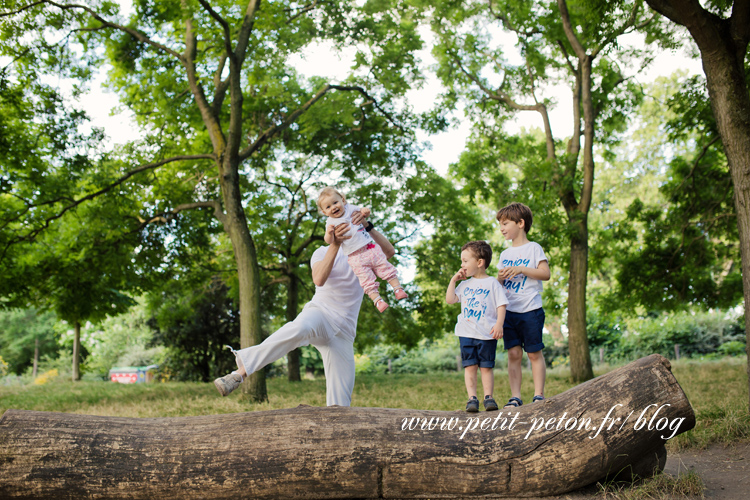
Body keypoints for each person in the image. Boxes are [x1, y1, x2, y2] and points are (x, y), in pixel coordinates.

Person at [213, 211, 396, 406]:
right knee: (299, 329)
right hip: (320, 315)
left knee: (341, 401)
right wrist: (335, 244)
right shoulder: (321, 252)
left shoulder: (364, 253)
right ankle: (238, 375)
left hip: (344, 332)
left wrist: (368, 226)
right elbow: (318, 279)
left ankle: (335, 432)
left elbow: (389, 252)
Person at [496, 202, 551, 409]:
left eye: (505, 223)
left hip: (530, 309)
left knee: (534, 353)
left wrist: (521, 269)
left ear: (520, 223)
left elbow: (545, 274)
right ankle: (515, 397)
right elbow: (500, 285)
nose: (501, 228)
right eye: (500, 224)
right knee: (513, 354)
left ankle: (538, 395)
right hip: (510, 311)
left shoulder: (534, 248)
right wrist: (499, 278)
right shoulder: (504, 254)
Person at [318, 186, 407, 313]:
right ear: (324, 212)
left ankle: (398, 289)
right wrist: (329, 234)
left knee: (384, 267)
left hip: (369, 248)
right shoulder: (330, 222)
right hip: (355, 257)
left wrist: (366, 212)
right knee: (366, 280)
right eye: (328, 207)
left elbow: (364, 211)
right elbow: (328, 240)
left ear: (343, 200)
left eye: (335, 202)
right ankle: (378, 301)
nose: (333, 207)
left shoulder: (350, 208)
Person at [445, 240, 508, 412]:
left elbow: (501, 305)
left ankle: (488, 397)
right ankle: (472, 398)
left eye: (465, 261)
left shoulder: (492, 283)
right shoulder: (464, 285)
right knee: (470, 366)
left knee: (486, 366)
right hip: (466, 333)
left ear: (479, 262)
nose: (462, 264)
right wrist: (453, 281)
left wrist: (499, 324)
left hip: (487, 334)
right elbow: (450, 300)